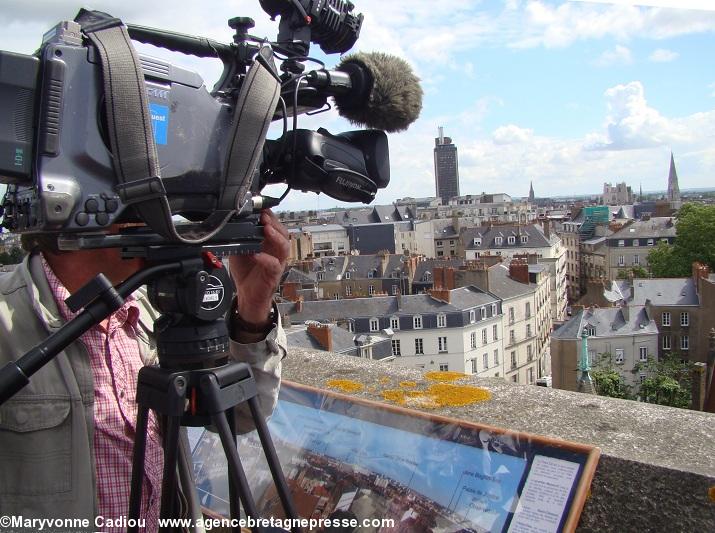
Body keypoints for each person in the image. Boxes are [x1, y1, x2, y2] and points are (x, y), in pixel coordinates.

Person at [0, 209, 290, 532]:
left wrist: (252, 308)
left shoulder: (153, 309)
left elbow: (241, 414)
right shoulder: (6, 324)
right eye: (136, 205)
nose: (160, 218)